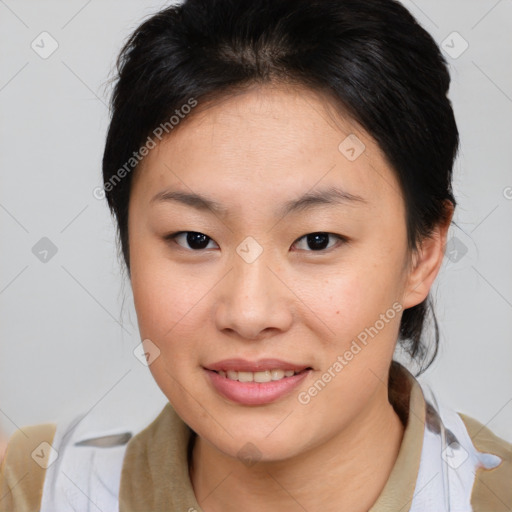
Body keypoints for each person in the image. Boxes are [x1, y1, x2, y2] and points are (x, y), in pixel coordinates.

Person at [1, 0, 511, 510]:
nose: (248, 313)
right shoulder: (34, 491)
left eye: (317, 240)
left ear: (423, 252)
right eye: (194, 239)